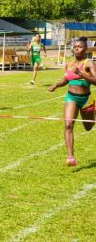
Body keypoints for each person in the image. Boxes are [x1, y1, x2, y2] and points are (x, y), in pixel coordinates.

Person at [48, 37, 96, 167]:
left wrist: (81, 73)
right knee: (68, 125)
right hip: (72, 97)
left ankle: (93, 113)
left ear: (86, 49)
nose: (76, 49)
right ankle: (71, 157)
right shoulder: (69, 64)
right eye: (75, 47)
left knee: (88, 127)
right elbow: (66, 80)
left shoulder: (89, 63)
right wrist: (56, 85)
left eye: (80, 47)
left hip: (86, 99)